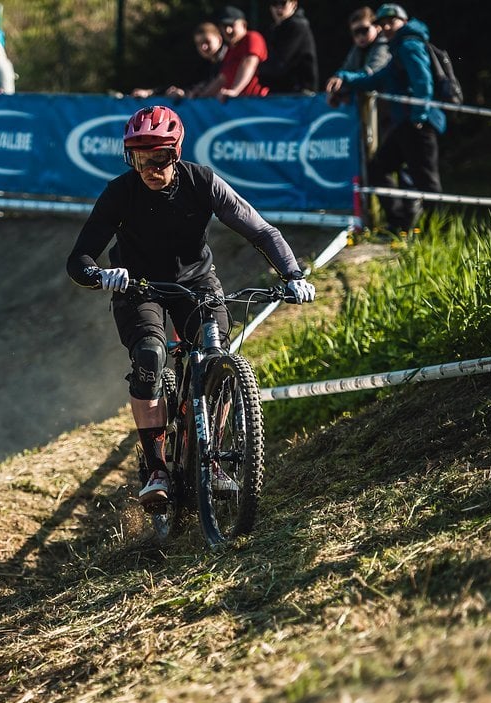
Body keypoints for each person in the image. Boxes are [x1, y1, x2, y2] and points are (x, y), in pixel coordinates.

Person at [65, 106, 315, 504]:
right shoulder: (119, 192)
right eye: (138, 159)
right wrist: (99, 275)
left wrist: (293, 275)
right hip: (138, 287)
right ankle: (156, 468)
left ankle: (211, 459)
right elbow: (79, 259)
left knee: (216, 356)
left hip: (197, 283)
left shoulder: (202, 182)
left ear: (176, 153)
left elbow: (261, 230)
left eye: (159, 158)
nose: (149, 168)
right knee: (149, 357)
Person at [327, 3, 445, 233]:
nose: (388, 26)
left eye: (392, 21)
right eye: (383, 23)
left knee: (427, 181)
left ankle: (436, 235)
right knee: (378, 168)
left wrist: (418, 117)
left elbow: (423, 82)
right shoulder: (397, 47)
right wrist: (344, 77)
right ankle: (398, 225)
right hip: (405, 124)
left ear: (404, 20)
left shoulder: (410, 44)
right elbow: (376, 79)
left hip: (419, 123)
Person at [131, 22, 227, 99]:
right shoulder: (204, 65)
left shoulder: (228, 60)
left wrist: (190, 95)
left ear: (219, 39)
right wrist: (151, 93)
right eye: (199, 44)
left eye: (207, 42)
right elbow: (192, 87)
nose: (203, 47)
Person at [198, 6, 269, 101]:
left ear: (243, 25)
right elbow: (221, 79)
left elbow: (249, 64)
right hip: (240, 106)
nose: (228, 30)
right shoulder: (231, 49)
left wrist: (235, 91)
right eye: (224, 26)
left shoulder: (252, 37)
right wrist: (199, 98)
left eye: (231, 25)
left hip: (260, 104)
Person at [325, 6, 391, 106]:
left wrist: (343, 77)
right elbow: (347, 69)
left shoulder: (384, 45)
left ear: (377, 27)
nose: (360, 36)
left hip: (388, 105)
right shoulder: (357, 49)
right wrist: (337, 89)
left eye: (364, 30)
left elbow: (370, 75)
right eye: (356, 32)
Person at [259, 0, 318, 95]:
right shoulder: (274, 29)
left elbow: (280, 63)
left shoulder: (298, 26)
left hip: (299, 95)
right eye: (274, 3)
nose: (278, 8)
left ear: (294, 4)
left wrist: (257, 72)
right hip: (282, 93)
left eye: (283, 3)